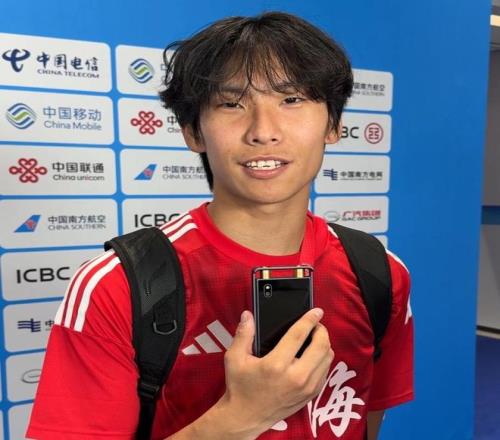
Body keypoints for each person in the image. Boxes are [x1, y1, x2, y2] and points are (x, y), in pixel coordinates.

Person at [27, 11, 413, 440]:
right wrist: (241, 417)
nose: (264, 131)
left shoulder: (379, 272)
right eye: (232, 104)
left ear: (334, 125)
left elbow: (365, 425)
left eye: (291, 99)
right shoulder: (116, 285)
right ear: (193, 132)